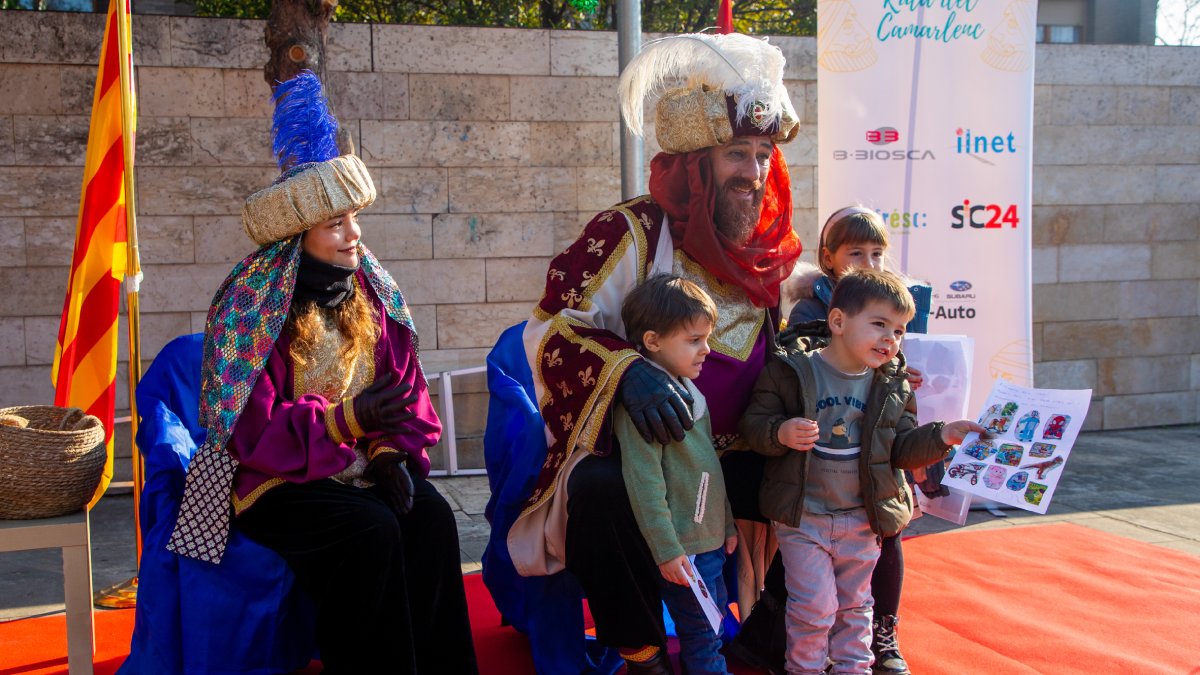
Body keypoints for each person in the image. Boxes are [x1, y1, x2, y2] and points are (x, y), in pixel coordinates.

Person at [507, 32, 802, 674]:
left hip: (746, 448)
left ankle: (772, 635)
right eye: (736, 154)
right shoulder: (628, 232)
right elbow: (549, 330)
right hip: (652, 456)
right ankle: (640, 652)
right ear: (697, 161)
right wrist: (627, 372)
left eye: (761, 154)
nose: (753, 173)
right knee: (598, 491)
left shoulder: (769, 244)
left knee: (834, 471)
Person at [167, 72, 478, 675]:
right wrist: (344, 421)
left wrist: (389, 451)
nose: (355, 235)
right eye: (336, 224)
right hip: (274, 483)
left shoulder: (371, 290)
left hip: (359, 468)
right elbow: (248, 430)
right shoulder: (250, 307)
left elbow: (404, 386)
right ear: (296, 237)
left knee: (433, 520)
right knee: (369, 532)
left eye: (354, 217)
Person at [740, 269, 985, 674]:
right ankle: (805, 668)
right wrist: (780, 431)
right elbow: (754, 425)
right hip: (805, 519)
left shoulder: (893, 384)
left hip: (861, 518)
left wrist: (944, 436)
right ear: (838, 322)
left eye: (900, 331)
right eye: (879, 325)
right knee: (814, 606)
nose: (891, 339)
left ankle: (855, 668)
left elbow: (903, 449)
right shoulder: (791, 371)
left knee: (857, 607)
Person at [784, 206, 933, 674]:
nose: (867, 263)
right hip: (827, 467)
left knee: (887, 534)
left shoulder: (894, 302)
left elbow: (889, 360)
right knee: (820, 592)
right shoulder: (814, 307)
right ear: (829, 258)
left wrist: (896, 373)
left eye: (877, 253)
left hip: (876, 453)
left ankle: (882, 633)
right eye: (855, 254)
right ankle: (810, 655)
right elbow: (799, 355)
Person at [617, 274, 739, 675]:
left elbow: (708, 466)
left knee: (713, 624)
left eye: (707, 338)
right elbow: (645, 484)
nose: (707, 350)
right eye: (694, 340)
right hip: (683, 549)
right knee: (702, 638)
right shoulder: (645, 405)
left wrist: (727, 525)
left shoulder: (687, 385)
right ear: (652, 341)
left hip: (709, 542)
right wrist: (667, 550)